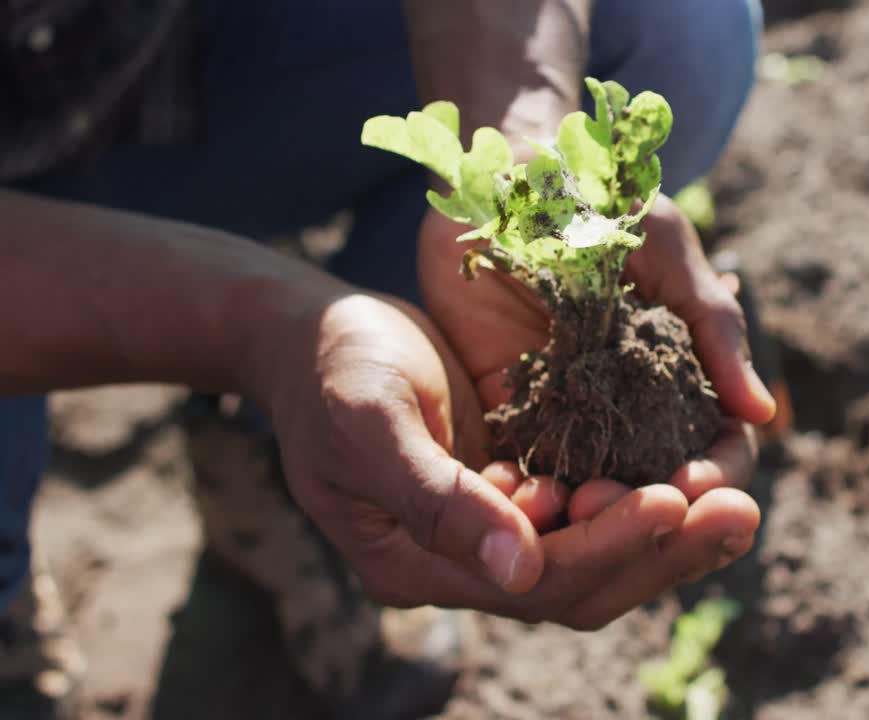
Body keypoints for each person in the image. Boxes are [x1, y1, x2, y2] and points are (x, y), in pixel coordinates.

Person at [0, 1, 774, 718]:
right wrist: (268, 331)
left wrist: (519, 133)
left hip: (160, 51)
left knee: (674, 28)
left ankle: (313, 451)